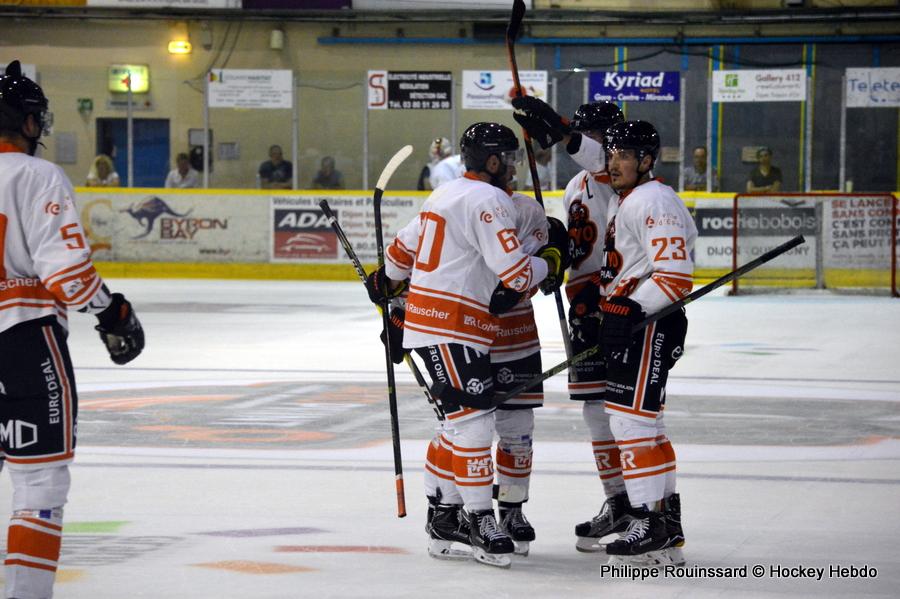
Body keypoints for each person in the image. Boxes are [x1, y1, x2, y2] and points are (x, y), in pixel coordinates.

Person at [365, 122, 567, 568]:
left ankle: (452, 517)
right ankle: (478, 519)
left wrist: (388, 285)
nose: (513, 166)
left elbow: (400, 254)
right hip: (455, 322)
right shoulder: (488, 200)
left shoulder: (446, 194)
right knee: (472, 425)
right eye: (508, 159)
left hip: (458, 325)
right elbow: (517, 275)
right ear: (492, 161)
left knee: (475, 425)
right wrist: (549, 264)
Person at [0, 59, 145, 599]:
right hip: (23, 340)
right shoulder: (36, 175)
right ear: (27, 122)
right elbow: (66, 274)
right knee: (38, 484)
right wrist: (112, 313)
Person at [557, 102, 638, 553]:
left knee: (626, 410)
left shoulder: (618, 180)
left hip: (617, 304)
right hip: (584, 307)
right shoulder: (575, 185)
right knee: (594, 410)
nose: (590, 144)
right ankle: (618, 502)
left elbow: (595, 158)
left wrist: (561, 132)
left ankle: (645, 507)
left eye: (594, 134)